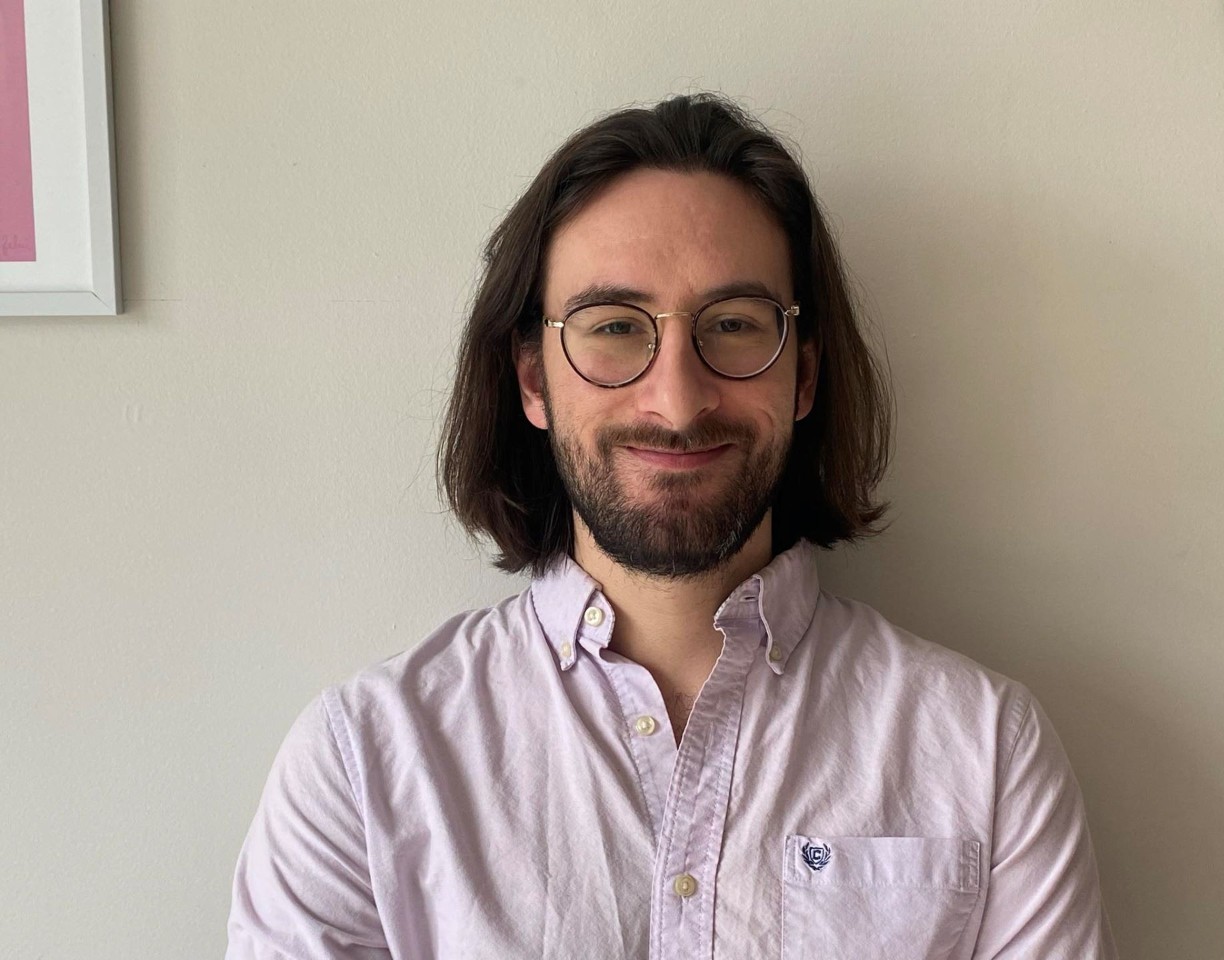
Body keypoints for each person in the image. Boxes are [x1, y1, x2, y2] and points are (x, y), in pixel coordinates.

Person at [225, 94, 1118, 959]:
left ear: (803, 378)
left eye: (733, 326)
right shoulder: (365, 766)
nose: (678, 399)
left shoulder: (985, 752)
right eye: (614, 327)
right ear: (533, 380)